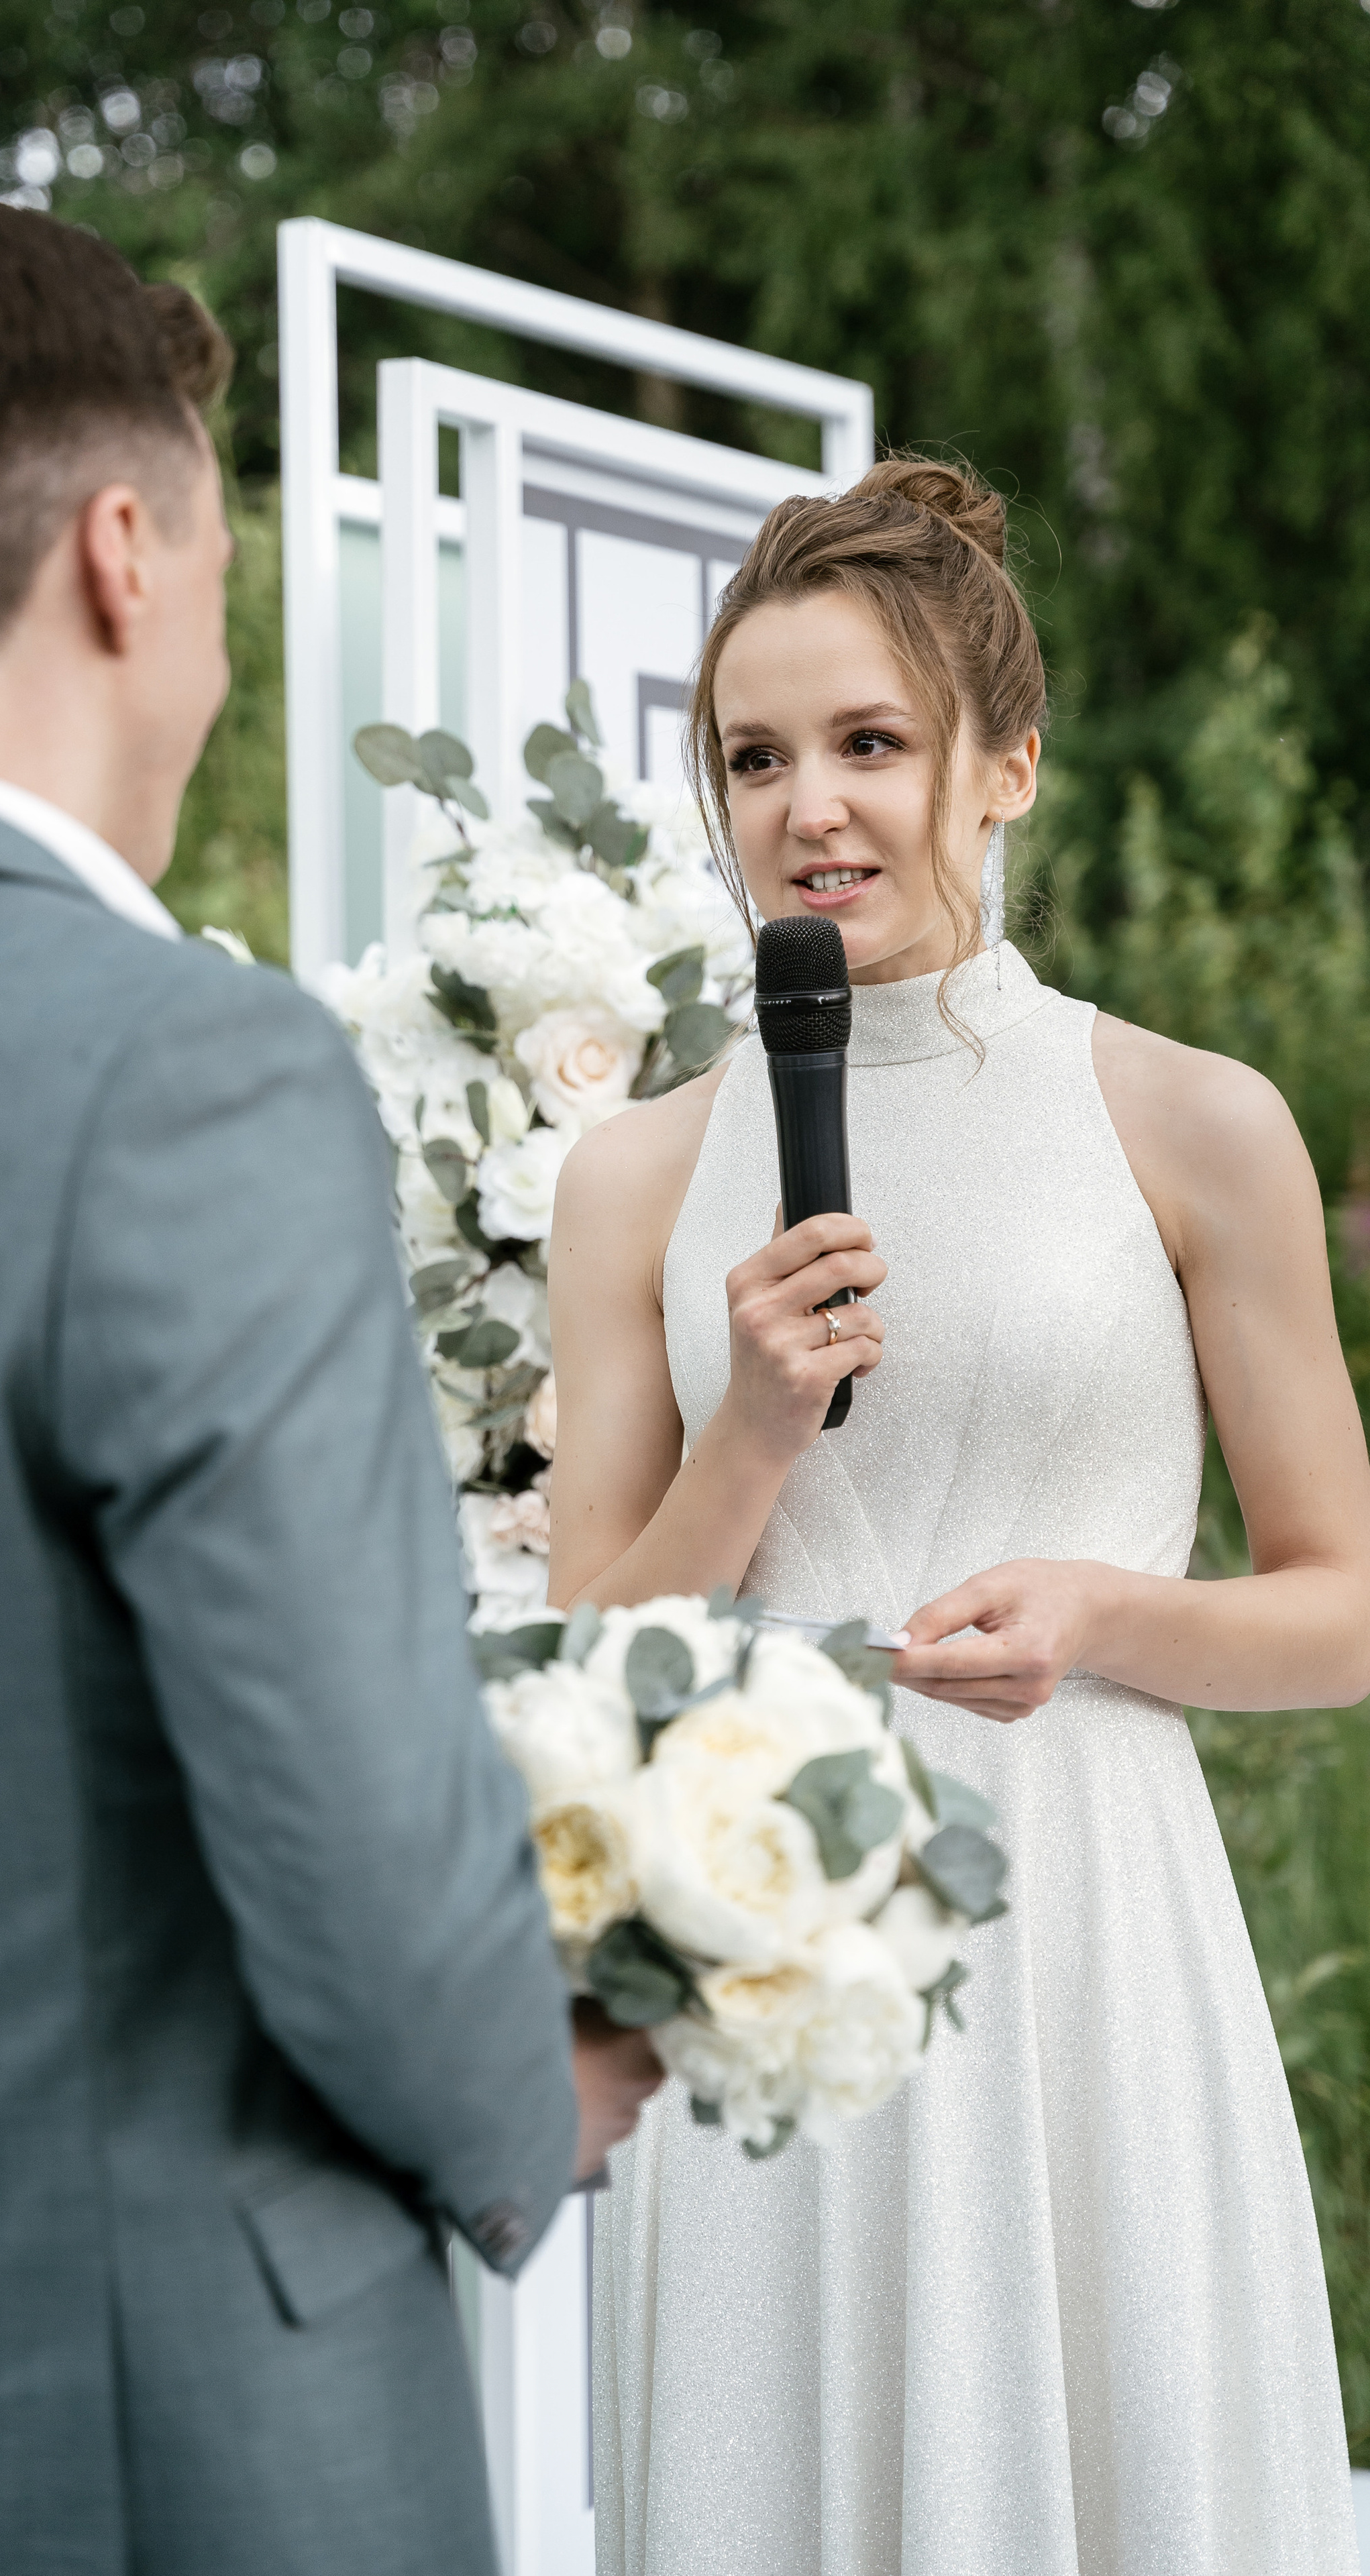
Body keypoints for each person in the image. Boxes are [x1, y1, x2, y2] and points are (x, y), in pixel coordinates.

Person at [0, 189, 660, 2576]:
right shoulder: (187, 1073)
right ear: (127, 552)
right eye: (221, 569)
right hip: (155, 2437)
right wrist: (544, 2079)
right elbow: (336, 1826)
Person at [549, 458, 1365, 2576]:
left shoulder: (1193, 1122)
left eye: (871, 744)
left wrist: (1102, 1614)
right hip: (766, 1949)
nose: (807, 806)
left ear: (1005, 766)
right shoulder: (637, 1177)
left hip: (1087, 1933)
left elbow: (1348, 1605)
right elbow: (579, 1679)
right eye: (754, 756)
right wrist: (752, 1434)